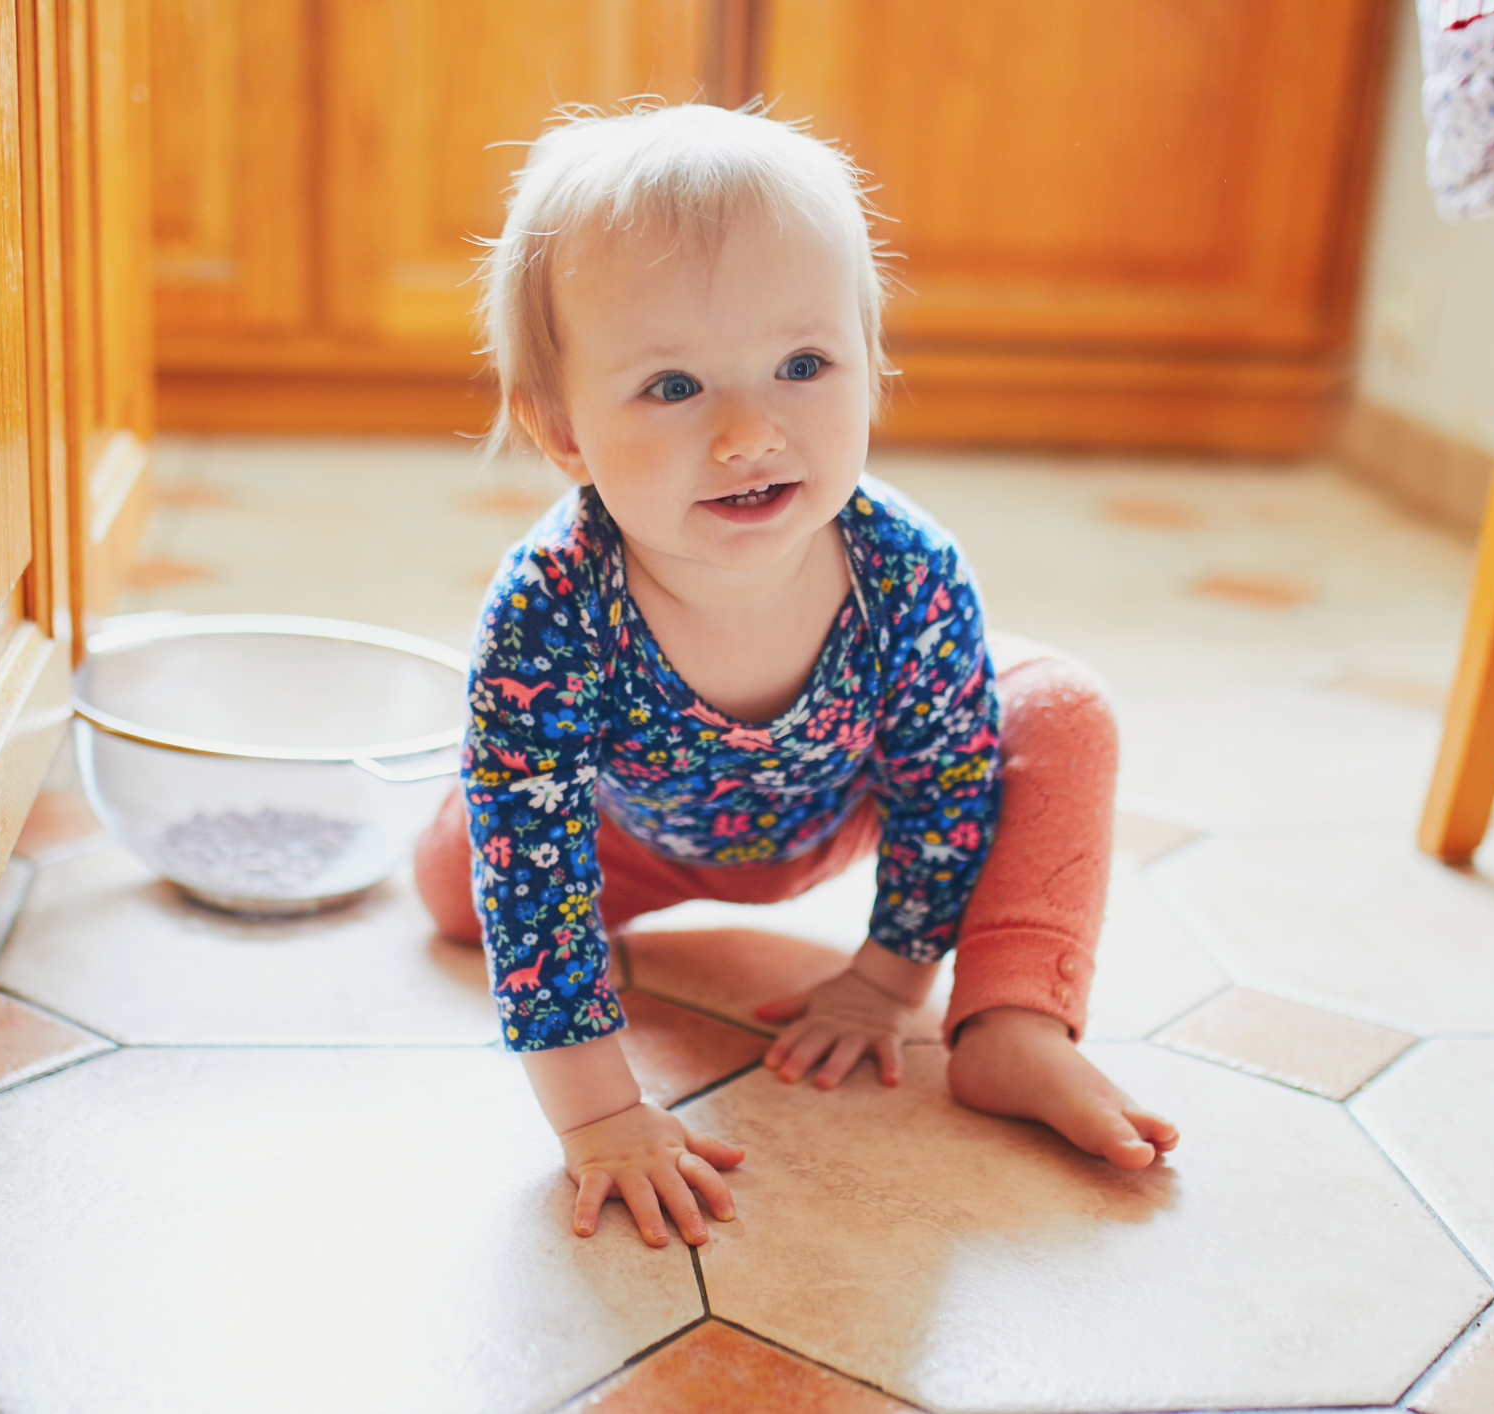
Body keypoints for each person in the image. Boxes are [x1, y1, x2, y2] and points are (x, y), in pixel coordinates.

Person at [413, 103, 1177, 1250]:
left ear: (872, 366)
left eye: (803, 365)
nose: (747, 434)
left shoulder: (905, 567)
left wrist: (887, 976)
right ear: (562, 430)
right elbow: (532, 885)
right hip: (628, 832)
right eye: (674, 386)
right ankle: (467, 793)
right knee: (462, 886)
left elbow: (945, 786)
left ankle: (1018, 1025)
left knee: (1062, 707)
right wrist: (601, 1118)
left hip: (845, 804)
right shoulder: (547, 607)